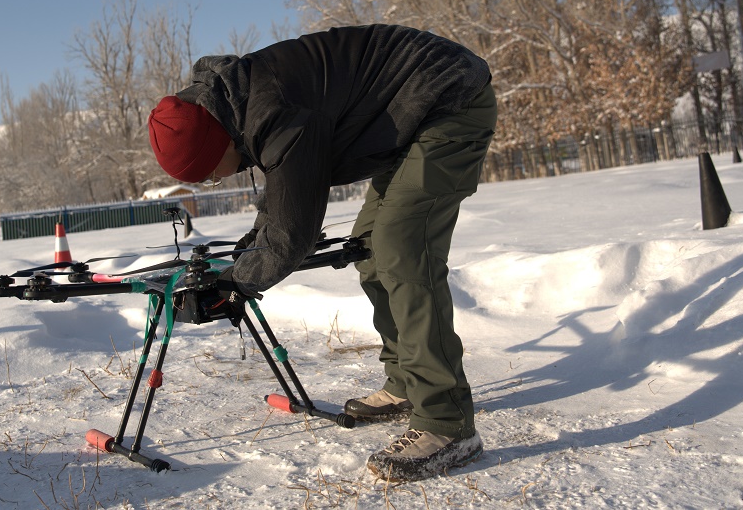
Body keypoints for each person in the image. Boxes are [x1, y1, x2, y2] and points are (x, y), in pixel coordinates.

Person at [147, 24, 496, 482]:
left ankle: (447, 422)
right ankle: (409, 382)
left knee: (401, 250)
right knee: (369, 249)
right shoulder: (239, 104)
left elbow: (294, 230)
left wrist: (238, 282)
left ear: (219, 143)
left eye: (210, 174)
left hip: (449, 98)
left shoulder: (273, 111)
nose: (217, 181)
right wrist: (248, 252)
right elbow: (284, 193)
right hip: (411, 113)